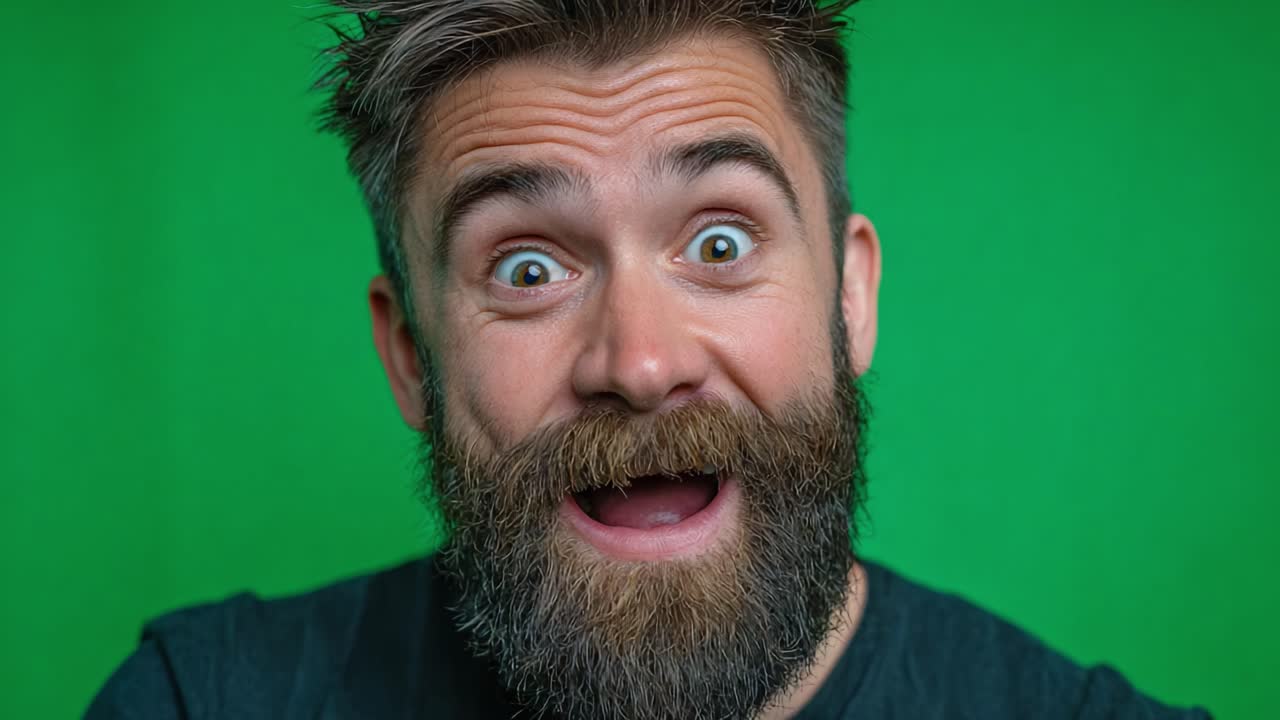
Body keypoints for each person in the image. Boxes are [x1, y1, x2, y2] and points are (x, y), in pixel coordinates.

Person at [87, 2, 1210, 718]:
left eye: (718, 243)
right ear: (409, 357)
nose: (639, 361)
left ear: (850, 295)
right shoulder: (201, 701)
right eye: (526, 270)